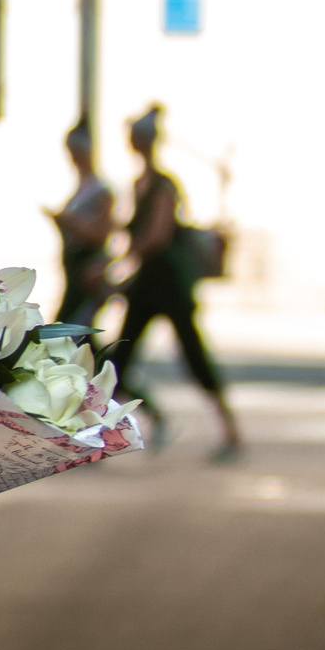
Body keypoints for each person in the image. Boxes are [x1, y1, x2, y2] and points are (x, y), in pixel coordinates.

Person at [108, 104, 244, 459]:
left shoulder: (163, 185)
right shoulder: (141, 184)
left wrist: (117, 264)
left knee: (193, 355)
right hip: (147, 286)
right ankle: (115, 430)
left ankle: (232, 432)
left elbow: (157, 236)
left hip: (168, 285)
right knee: (120, 357)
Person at [49, 121, 116, 331]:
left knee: (66, 330)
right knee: (77, 332)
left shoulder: (100, 190)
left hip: (86, 269)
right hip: (73, 269)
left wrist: (70, 223)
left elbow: (103, 232)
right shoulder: (82, 188)